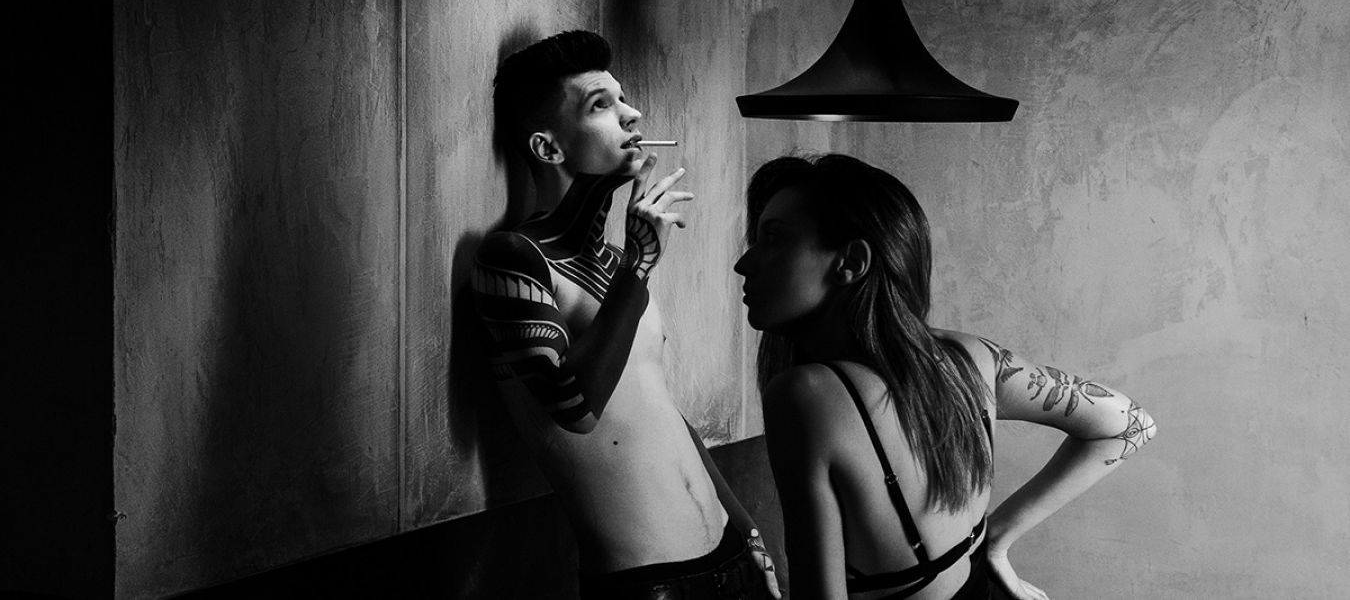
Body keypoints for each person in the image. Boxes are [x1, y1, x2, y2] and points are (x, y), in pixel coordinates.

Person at [734, 154, 1157, 600]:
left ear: (851, 261)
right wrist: (996, 539)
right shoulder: (971, 358)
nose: (744, 263)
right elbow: (1131, 423)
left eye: (773, 239)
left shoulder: (804, 396)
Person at [473, 30, 780, 600]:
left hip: (734, 556)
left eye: (624, 98)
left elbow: (660, 410)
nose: (631, 114)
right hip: (648, 584)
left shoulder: (619, 263)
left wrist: (750, 532)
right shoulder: (513, 258)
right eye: (601, 104)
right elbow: (575, 408)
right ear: (548, 148)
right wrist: (639, 265)